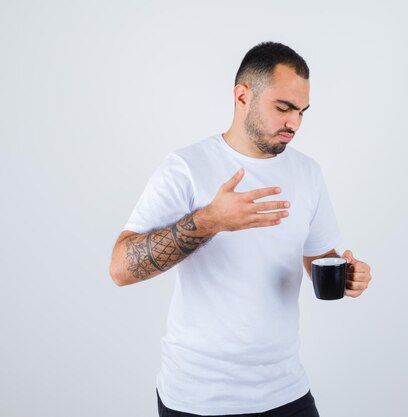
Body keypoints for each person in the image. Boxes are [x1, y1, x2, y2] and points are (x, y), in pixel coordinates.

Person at [109, 41, 372, 417]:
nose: (294, 123)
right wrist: (210, 220)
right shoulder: (186, 167)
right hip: (198, 398)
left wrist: (348, 274)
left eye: (301, 111)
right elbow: (120, 268)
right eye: (283, 108)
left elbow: (320, 260)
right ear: (243, 96)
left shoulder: (308, 173)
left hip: (286, 391)